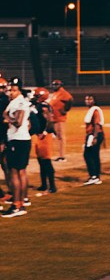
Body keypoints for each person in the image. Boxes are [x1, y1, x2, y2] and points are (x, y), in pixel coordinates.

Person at [2, 78, 33, 217]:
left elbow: (18, 122)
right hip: (22, 140)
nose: (11, 92)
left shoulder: (19, 102)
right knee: (21, 172)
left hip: (18, 140)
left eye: (14, 90)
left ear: (19, 90)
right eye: (10, 90)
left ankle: (16, 205)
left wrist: (6, 116)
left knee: (14, 172)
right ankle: (21, 202)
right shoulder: (18, 101)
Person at [30, 87, 57, 195]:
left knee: (46, 161)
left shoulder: (44, 106)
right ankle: (44, 184)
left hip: (45, 136)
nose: (34, 97)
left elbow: (50, 120)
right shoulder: (39, 105)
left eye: (36, 95)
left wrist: (45, 132)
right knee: (41, 161)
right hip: (39, 136)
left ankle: (52, 186)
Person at [47, 79, 74, 161]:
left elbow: (70, 99)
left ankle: (62, 156)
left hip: (60, 118)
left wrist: (65, 110)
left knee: (61, 136)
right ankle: (59, 155)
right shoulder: (55, 93)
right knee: (57, 137)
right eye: (54, 84)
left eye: (56, 85)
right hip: (54, 118)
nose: (54, 86)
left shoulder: (63, 92)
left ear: (60, 85)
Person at [82, 94, 105, 185]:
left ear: (94, 100)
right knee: (94, 155)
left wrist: (94, 137)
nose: (88, 101)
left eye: (90, 99)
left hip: (94, 134)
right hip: (93, 134)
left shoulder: (95, 110)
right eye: (86, 99)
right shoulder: (92, 110)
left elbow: (96, 124)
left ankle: (94, 176)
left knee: (88, 155)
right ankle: (96, 176)